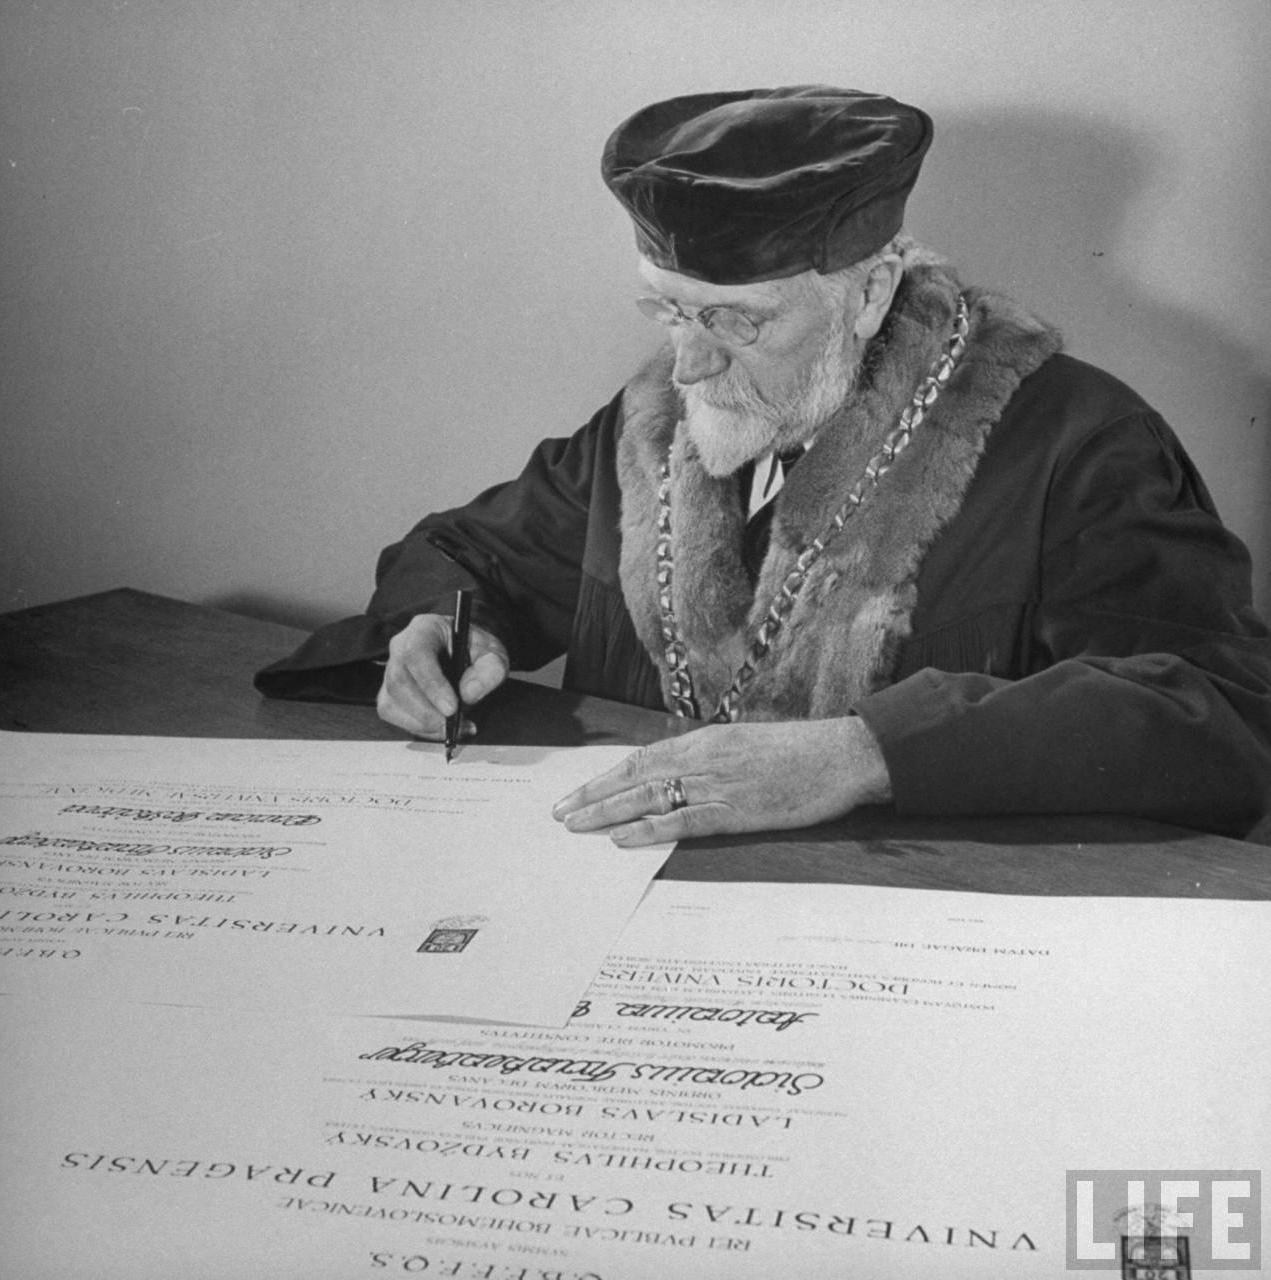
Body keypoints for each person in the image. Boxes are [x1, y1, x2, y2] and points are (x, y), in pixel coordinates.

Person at [256, 86, 1271, 845]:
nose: (686, 361)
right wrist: (435, 625)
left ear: (870, 293)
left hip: (918, 938)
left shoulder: (1078, 441)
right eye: (665, 309)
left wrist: (869, 751)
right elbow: (466, 551)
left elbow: (1211, 712)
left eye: (735, 320)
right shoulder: (661, 414)